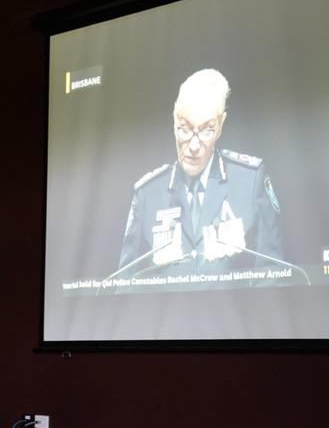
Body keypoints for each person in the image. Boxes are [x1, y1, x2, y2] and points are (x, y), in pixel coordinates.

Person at [115, 68, 285, 284]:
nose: (194, 145)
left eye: (206, 131)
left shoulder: (249, 181)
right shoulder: (148, 194)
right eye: (184, 129)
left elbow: (273, 277)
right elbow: (124, 285)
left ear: (221, 125)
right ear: (173, 121)